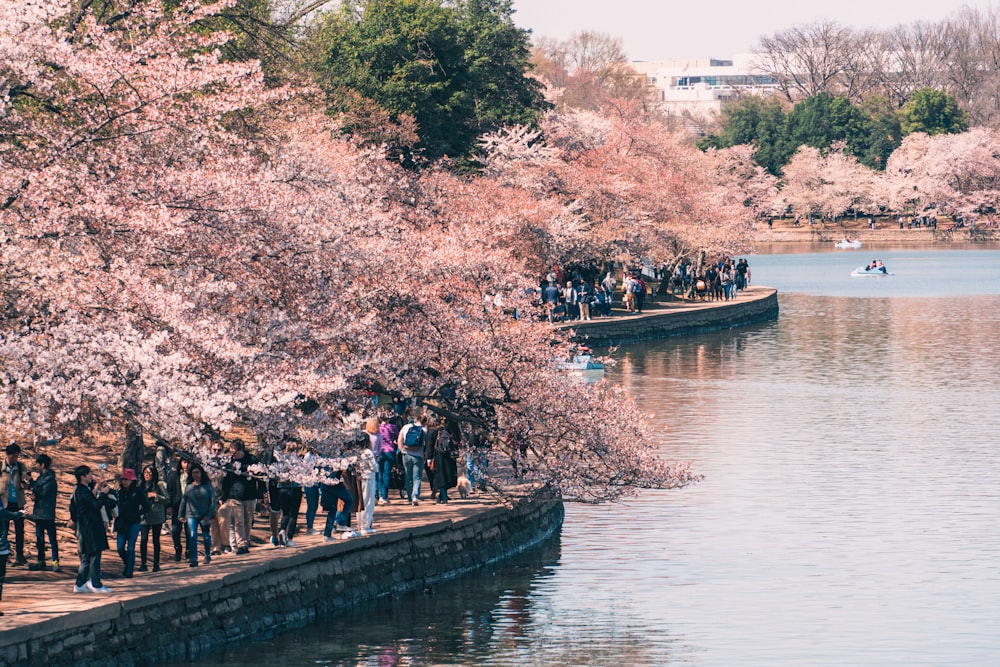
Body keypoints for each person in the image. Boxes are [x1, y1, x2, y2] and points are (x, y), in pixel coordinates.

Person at [70, 465, 117, 593]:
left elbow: (91, 498)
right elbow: (95, 505)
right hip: (90, 526)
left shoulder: (82, 490)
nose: (91, 476)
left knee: (86, 556)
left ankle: (80, 584)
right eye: (89, 474)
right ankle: (95, 583)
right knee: (95, 554)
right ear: (83, 476)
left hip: (87, 526)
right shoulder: (81, 491)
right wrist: (102, 494)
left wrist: (97, 488)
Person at [221, 439, 260, 555]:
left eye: (235, 452)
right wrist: (223, 496)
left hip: (250, 495)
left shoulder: (252, 460)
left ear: (241, 450)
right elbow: (226, 481)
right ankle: (241, 544)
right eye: (231, 451)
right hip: (234, 496)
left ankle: (246, 541)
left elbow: (260, 475)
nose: (233, 454)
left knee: (248, 520)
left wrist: (261, 491)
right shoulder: (229, 462)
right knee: (239, 521)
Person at [179, 463, 215, 567]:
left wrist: (209, 515)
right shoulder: (189, 487)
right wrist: (181, 514)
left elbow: (213, 501)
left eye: (197, 472)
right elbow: (184, 500)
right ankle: (194, 558)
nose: (196, 475)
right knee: (192, 535)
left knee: (206, 535)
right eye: (193, 472)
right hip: (191, 514)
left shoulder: (207, 486)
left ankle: (207, 554)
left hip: (204, 514)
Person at [28, 454, 59, 572]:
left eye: (37, 463)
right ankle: (40, 561)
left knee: (52, 539)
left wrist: (31, 482)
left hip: (48, 514)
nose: (36, 466)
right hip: (39, 513)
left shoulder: (50, 479)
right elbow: (37, 490)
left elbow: (42, 492)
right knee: (39, 539)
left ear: (43, 465)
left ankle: (55, 562)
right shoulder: (41, 478)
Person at [114, 468, 147, 578]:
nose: (124, 482)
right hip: (121, 522)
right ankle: (127, 562)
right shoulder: (119, 492)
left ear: (132, 480)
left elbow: (146, 507)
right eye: (123, 479)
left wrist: (138, 514)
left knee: (131, 547)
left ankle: (129, 570)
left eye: (127, 479)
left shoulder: (138, 492)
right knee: (120, 547)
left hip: (134, 522)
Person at [0, 444, 28, 566]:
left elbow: (26, 484)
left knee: (19, 531)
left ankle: (19, 556)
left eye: (17, 456)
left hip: (18, 503)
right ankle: (4, 555)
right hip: (4, 503)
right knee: (3, 531)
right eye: (14, 456)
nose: (15, 459)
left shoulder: (21, 467)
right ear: (8, 455)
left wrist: (25, 484)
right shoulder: (0, 466)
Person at [138, 464, 167, 572]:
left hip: (156, 516)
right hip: (144, 516)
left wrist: (155, 496)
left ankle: (156, 563)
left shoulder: (159, 485)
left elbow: (167, 498)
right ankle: (143, 563)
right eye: (146, 473)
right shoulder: (140, 485)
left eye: (150, 473)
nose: (147, 475)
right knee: (143, 539)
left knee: (156, 540)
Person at [0, 502, 26, 614]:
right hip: (2, 549)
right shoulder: (2, 512)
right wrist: (21, 512)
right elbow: (14, 515)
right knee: (0, 578)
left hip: (3, 549)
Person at [397, 410, 426, 505]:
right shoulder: (424, 430)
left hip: (406, 454)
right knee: (417, 477)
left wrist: (402, 450)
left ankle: (409, 497)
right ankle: (415, 496)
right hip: (419, 455)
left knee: (408, 476)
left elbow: (399, 440)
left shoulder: (406, 427)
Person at [165, 456, 191, 562]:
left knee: (190, 531)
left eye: (189, 462)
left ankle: (189, 551)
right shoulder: (174, 476)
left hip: (190, 507)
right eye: (185, 462)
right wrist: (169, 505)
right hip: (177, 506)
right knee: (176, 530)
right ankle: (177, 548)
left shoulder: (194, 476)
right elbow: (169, 491)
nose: (186, 465)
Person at [428, 419, 459, 504]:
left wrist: (429, 458)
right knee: (449, 478)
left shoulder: (437, 432)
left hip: (439, 457)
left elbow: (430, 445)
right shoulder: (453, 432)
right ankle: (443, 496)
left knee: (442, 477)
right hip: (450, 457)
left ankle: (442, 496)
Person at [376, 418, 399, 505]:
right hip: (390, 451)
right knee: (387, 473)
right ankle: (384, 496)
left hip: (379, 451)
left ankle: (377, 495)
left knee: (379, 473)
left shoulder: (377, 427)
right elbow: (397, 439)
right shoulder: (393, 427)